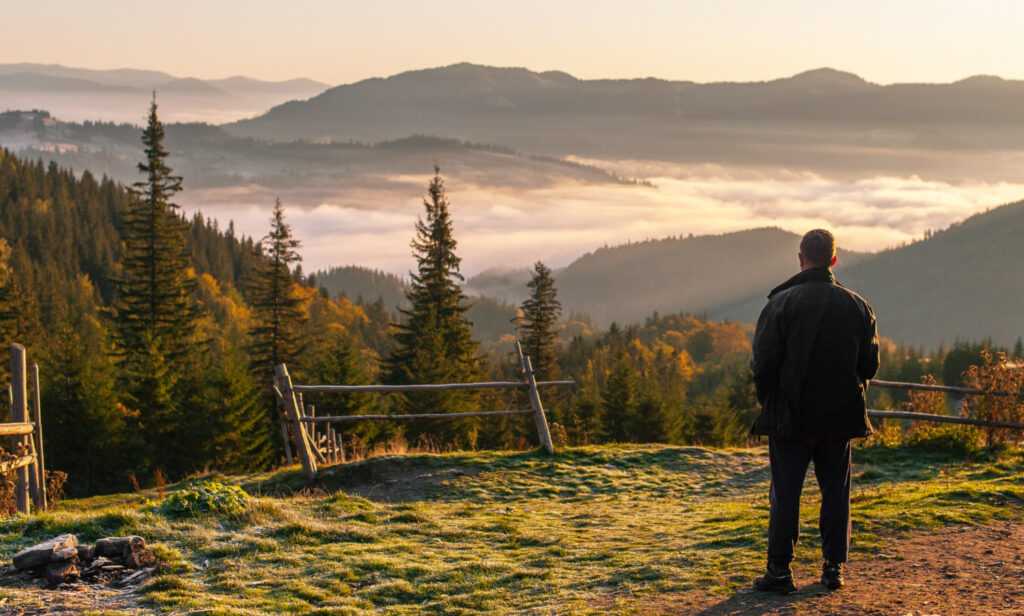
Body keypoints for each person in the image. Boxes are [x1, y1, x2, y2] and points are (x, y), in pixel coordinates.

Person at [750, 229, 880, 594]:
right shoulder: (858, 306)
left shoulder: (779, 304)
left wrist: (770, 402)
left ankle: (779, 571)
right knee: (836, 492)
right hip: (840, 416)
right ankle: (833, 568)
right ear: (834, 260)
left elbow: (762, 365)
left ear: (800, 257)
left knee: (785, 494)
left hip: (790, 416)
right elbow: (869, 366)